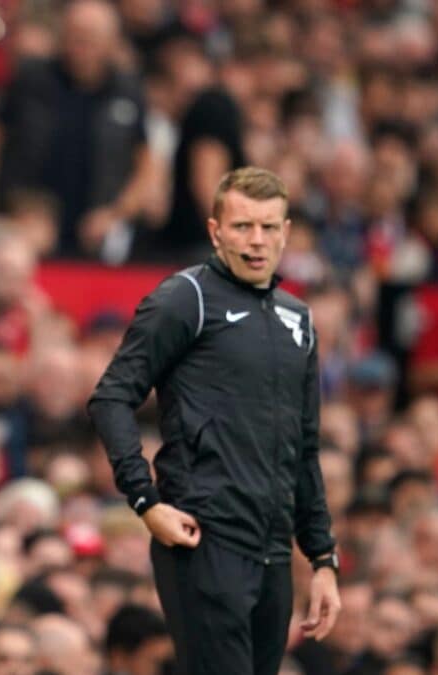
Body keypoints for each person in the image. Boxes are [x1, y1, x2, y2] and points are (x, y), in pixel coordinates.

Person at [87, 167, 340, 675]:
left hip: (272, 550)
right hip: (204, 538)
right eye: (243, 225)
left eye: (269, 227)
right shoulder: (187, 298)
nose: (257, 240)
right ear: (215, 231)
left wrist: (322, 559)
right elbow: (111, 397)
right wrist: (146, 501)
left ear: (286, 232)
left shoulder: (299, 319)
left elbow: (304, 448)